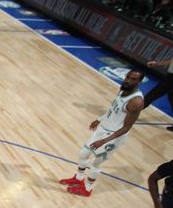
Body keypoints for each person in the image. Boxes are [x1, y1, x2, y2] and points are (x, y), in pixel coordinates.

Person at [59, 69, 144, 197]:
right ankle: (79, 178)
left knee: (96, 163)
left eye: (133, 79)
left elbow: (126, 128)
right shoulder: (124, 89)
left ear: (139, 82)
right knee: (83, 153)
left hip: (113, 136)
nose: (128, 80)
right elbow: (113, 109)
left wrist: (104, 141)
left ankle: (88, 188)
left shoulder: (136, 102)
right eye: (128, 77)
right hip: (103, 129)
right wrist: (99, 119)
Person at [143, 57, 173, 132]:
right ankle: (135, 109)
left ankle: (135, 109)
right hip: (170, 77)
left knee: (169, 98)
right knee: (154, 93)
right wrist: (156, 63)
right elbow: (171, 61)